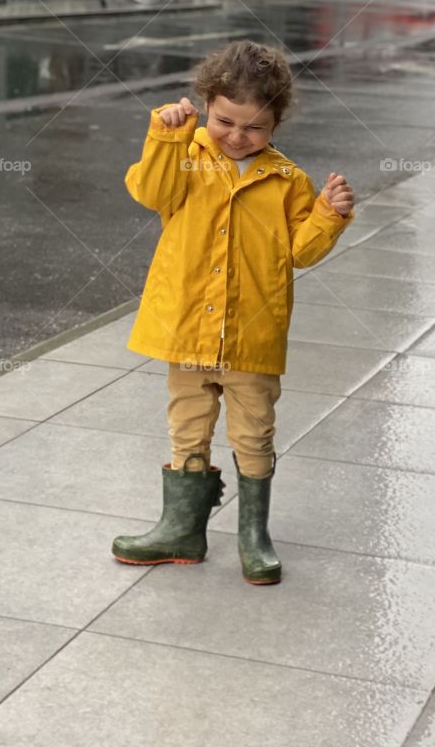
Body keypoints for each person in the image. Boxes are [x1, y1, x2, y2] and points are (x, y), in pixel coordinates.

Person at [112, 40, 355, 584]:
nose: (237, 136)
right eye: (225, 121)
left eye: (254, 128)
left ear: (275, 125)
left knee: (253, 432)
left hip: (252, 336)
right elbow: (150, 191)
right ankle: (181, 529)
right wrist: (164, 135)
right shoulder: (184, 158)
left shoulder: (288, 180)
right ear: (206, 104)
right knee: (187, 427)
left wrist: (327, 216)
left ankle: (253, 535)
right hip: (186, 329)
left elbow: (301, 252)